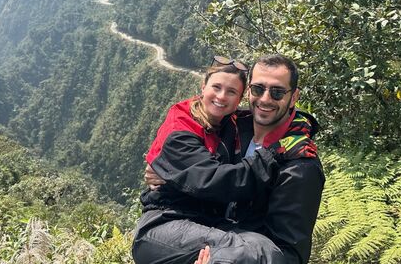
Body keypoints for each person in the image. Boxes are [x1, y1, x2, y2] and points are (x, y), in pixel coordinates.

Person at [131, 55, 318, 264]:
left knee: (261, 249)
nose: (265, 99)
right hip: (168, 225)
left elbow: (290, 254)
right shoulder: (224, 128)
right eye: (258, 89)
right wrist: (163, 164)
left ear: (293, 97)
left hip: (227, 240)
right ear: (249, 94)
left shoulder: (300, 165)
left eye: (277, 92)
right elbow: (216, 179)